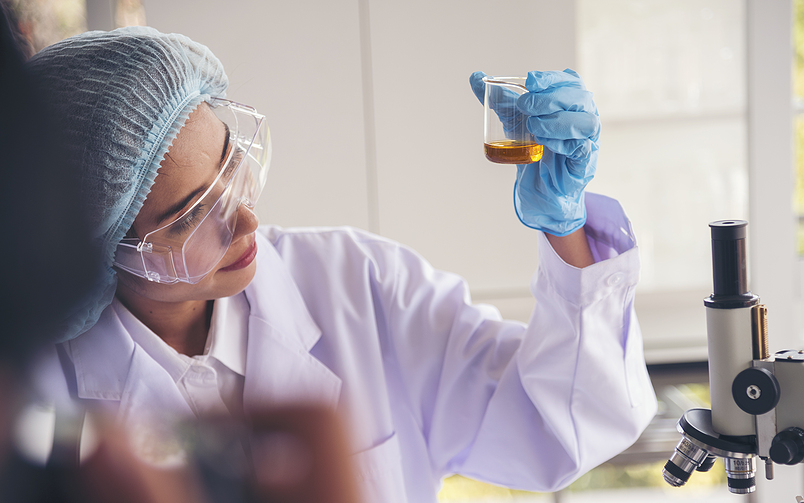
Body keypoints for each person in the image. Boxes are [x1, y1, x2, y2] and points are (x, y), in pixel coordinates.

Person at [26, 26, 657, 503]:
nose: (246, 220)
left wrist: (565, 229)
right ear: (100, 248)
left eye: (231, 165)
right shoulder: (39, 392)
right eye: (193, 216)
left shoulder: (358, 284)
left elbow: (559, 425)